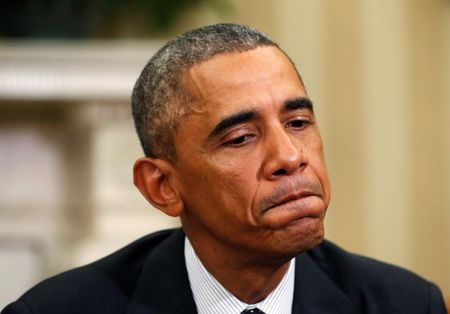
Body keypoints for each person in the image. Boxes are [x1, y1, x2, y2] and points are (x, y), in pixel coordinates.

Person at [2, 23, 447, 314]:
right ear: (161, 186)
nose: (290, 157)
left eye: (298, 123)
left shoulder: (405, 304)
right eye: (240, 138)